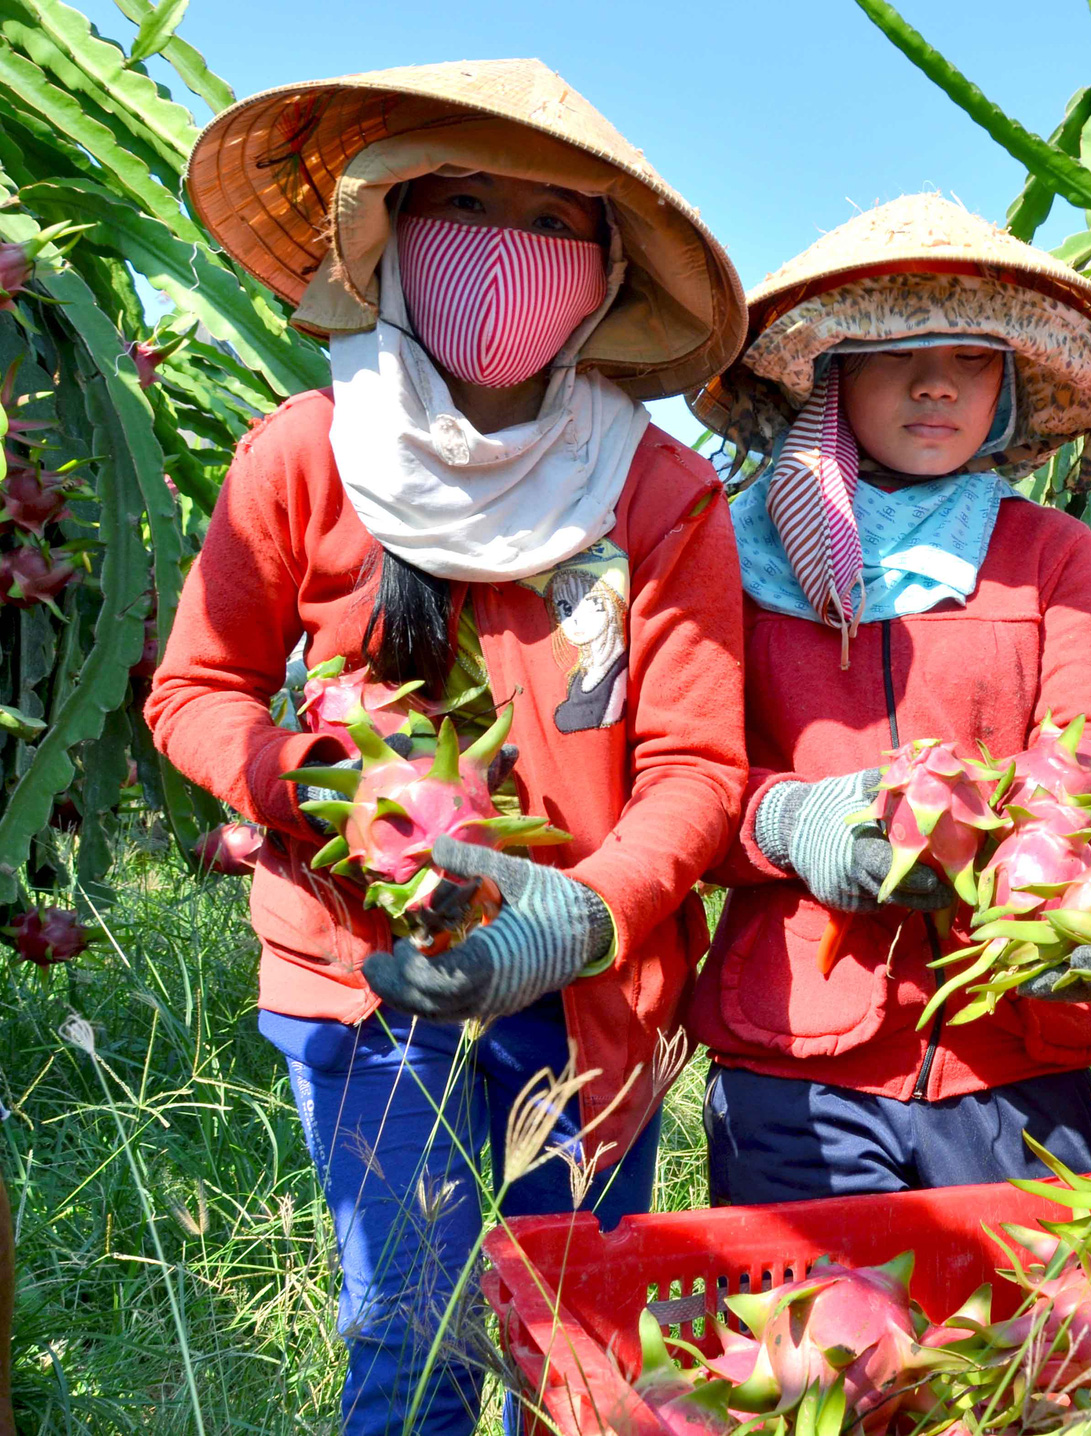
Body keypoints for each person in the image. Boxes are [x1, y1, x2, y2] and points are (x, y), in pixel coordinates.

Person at [146, 60, 748, 1434]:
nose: (504, 255)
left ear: (601, 273)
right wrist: (319, 791)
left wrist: (586, 914)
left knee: (575, 1360)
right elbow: (197, 689)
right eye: (466, 203)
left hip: (587, 998)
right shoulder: (304, 457)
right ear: (392, 231)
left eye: (549, 223)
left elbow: (699, 767)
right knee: (413, 1350)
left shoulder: (659, 492)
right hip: (371, 990)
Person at [689, 194, 1091, 1205]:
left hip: (1016, 1054)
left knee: (1028, 1360)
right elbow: (678, 787)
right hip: (797, 1058)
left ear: (1007, 385)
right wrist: (794, 822)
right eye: (897, 355)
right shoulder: (728, 557)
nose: (937, 384)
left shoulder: (1047, 555)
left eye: (971, 359)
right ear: (830, 373)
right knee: (818, 1357)